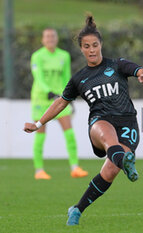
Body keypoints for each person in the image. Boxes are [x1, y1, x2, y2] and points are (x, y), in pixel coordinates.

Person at [24, 15, 143, 226]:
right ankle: (124, 161)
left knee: (110, 171)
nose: (92, 49)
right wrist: (38, 124)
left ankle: (77, 209)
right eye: (87, 46)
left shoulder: (117, 65)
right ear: (82, 49)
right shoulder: (79, 78)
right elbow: (60, 103)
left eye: (95, 45)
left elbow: (139, 70)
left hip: (128, 124)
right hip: (99, 122)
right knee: (107, 133)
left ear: (101, 45)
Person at [30, 28, 88, 179]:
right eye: (47, 36)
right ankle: (39, 170)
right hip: (41, 99)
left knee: (69, 133)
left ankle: (75, 168)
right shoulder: (37, 56)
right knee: (40, 135)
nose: (50, 38)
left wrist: (69, 94)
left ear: (56, 39)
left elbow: (66, 78)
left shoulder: (64, 56)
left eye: (53, 36)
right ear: (43, 40)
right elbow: (39, 78)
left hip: (59, 100)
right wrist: (48, 91)